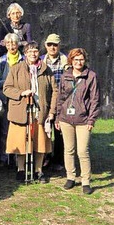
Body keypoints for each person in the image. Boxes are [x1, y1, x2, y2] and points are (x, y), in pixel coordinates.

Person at [3, 41, 57, 183]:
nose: (33, 54)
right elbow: (7, 88)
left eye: (35, 51)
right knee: (21, 142)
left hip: (40, 111)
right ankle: (21, 170)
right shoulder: (16, 68)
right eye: (30, 51)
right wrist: (21, 93)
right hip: (22, 110)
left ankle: (38, 170)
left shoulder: (46, 69)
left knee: (40, 142)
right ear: (25, 53)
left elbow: (55, 91)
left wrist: (51, 112)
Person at [56, 48, 100, 194]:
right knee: (69, 150)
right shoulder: (65, 76)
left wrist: (91, 120)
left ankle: (86, 181)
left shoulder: (91, 76)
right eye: (75, 59)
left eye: (81, 59)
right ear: (71, 61)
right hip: (65, 119)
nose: (78, 62)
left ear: (84, 60)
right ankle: (71, 177)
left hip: (83, 120)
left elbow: (95, 100)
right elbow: (60, 98)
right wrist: (57, 116)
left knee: (82, 151)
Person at [0, 33, 24, 165]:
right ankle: (3, 157)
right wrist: (9, 84)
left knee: (18, 129)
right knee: (3, 129)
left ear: (18, 45)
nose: (12, 46)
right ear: (5, 45)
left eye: (14, 43)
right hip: (5, 99)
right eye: (9, 44)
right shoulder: (1, 61)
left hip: (19, 100)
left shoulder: (24, 60)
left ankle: (18, 158)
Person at [40, 33, 68, 170]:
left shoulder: (67, 61)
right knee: (44, 131)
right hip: (45, 100)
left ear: (59, 45)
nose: (52, 47)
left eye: (55, 45)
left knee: (59, 133)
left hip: (62, 101)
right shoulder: (40, 61)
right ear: (45, 45)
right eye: (49, 44)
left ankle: (58, 160)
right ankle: (45, 159)